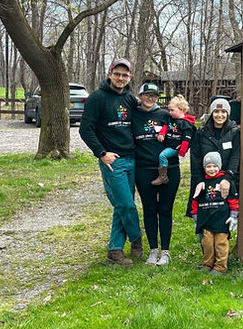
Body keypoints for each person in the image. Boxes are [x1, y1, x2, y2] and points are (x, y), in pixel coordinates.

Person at [79, 58, 143, 266]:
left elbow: (144, 117)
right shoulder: (97, 98)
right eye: (118, 74)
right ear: (110, 74)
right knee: (126, 204)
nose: (121, 78)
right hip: (112, 161)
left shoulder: (130, 100)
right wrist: (101, 153)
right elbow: (85, 129)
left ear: (130, 78)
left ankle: (114, 251)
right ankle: (136, 239)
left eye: (125, 75)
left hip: (132, 158)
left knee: (121, 206)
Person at [131, 83, 178, 266]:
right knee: (150, 209)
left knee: (165, 210)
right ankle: (153, 250)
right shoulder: (134, 115)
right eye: (147, 95)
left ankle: (165, 251)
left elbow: (180, 133)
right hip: (144, 169)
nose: (150, 99)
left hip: (168, 169)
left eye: (154, 96)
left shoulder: (166, 115)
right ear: (140, 95)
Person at [188, 97, 240, 219]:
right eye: (216, 112)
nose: (220, 115)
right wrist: (199, 180)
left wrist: (228, 178)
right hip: (204, 180)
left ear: (228, 113)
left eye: (223, 112)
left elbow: (235, 156)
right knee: (204, 215)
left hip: (226, 181)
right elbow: (195, 158)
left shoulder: (234, 132)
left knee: (224, 216)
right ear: (211, 113)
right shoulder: (201, 133)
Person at [191, 152, 239, 275]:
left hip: (221, 219)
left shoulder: (224, 183)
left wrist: (233, 216)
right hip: (206, 219)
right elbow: (195, 201)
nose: (212, 169)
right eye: (208, 166)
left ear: (219, 166)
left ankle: (220, 267)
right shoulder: (202, 184)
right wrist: (196, 217)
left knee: (220, 243)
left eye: (214, 166)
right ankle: (207, 264)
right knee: (206, 242)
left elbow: (233, 199)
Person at [152, 95, 195, 185]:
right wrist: (161, 134)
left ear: (181, 110)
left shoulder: (185, 123)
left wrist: (182, 150)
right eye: (169, 110)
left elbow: (187, 138)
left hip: (175, 147)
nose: (170, 112)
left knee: (163, 156)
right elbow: (166, 126)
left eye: (172, 110)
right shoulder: (171, 119)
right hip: (169, 143)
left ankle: (163, 176)